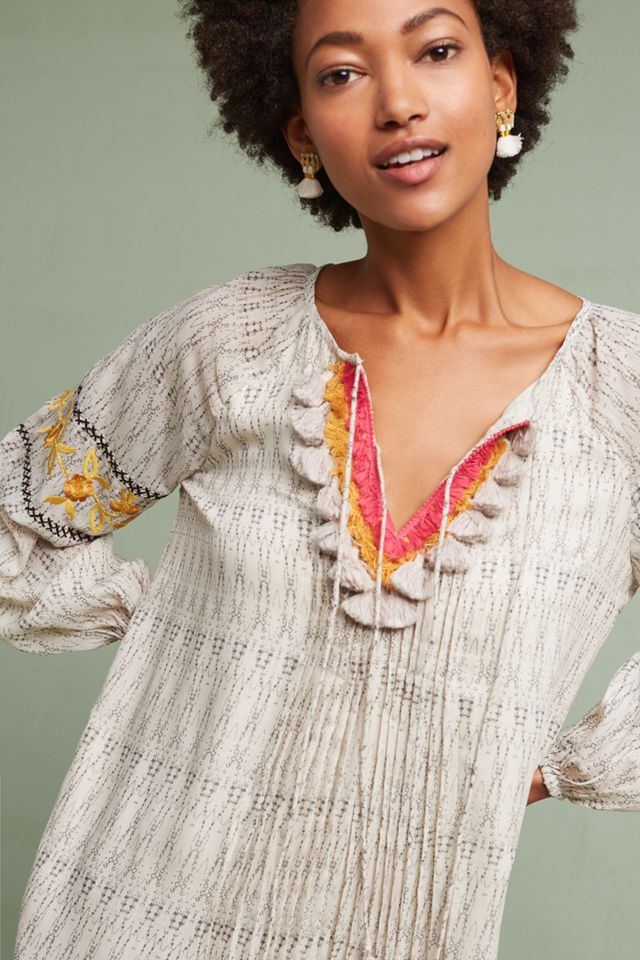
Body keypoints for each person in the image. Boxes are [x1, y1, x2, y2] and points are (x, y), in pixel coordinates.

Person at [3, 0, 640, 958]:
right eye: (343, 72)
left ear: (501, 85)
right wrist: (170, 622)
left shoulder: (621, 391)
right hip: (129, 914)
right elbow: (16, 522)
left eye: (436, 51)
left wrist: (554, 768)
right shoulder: (234, 341)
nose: (398, 103)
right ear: (303, 135)